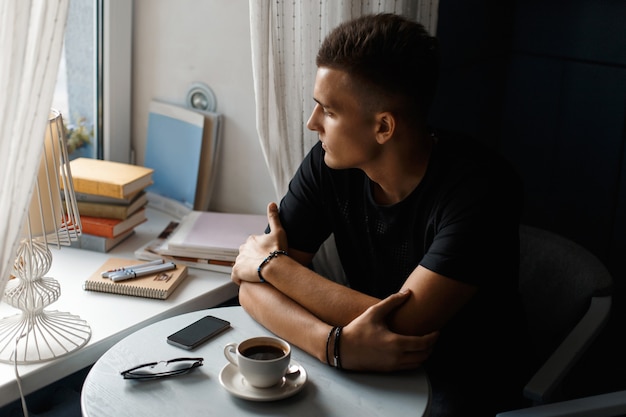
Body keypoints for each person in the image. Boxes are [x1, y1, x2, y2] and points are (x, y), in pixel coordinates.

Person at [231, 13, 534, 416]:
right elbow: (249, 289)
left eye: (329, 111)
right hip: (357, 359)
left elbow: (406, 325)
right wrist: (332, 344)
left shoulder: (481, 188)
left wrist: (272, 265)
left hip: (459, 379)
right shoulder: (329, 164)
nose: (311, 123)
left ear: (384, 127)